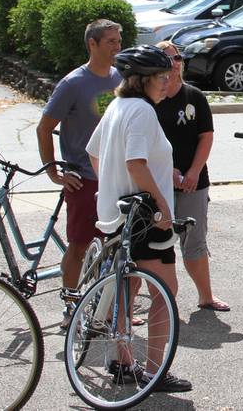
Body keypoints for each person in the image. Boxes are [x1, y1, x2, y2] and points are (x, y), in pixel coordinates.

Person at [86, 45, 192, 393]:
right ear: (141, 81)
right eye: (161, 77)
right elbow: (136, 163)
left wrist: (110, 187)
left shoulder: (118, 106)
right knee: (165, 290)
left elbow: (93, 151)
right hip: (144, 216)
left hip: (117, 214)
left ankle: (122, 361)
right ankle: (153, 370)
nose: (167, 81)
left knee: (127, 287)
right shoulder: (143, 112)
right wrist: (161, 205)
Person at [36, 19, 122, 328]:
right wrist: (53, 172)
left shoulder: (120, 78)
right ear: (93, 44)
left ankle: (106, 310)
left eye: (118, 40)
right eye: (110, 41)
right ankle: (71, 307)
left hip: (113, 179)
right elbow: (45, 128)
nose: (117, 46)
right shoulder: (73, 83)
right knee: (79, 246)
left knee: (113, 248)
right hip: (83, 179)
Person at [155, 40, 229, 312]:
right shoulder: (149, 100)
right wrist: (169, 171)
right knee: (157, 243)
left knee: (195, 241)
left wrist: (194, 172)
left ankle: (206, 296)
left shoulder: (194, 96)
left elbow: (205, 137)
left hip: (193, 182)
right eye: (167, 59)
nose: (174, 64)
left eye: (177, 58)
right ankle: (161, 301)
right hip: (158, 183)